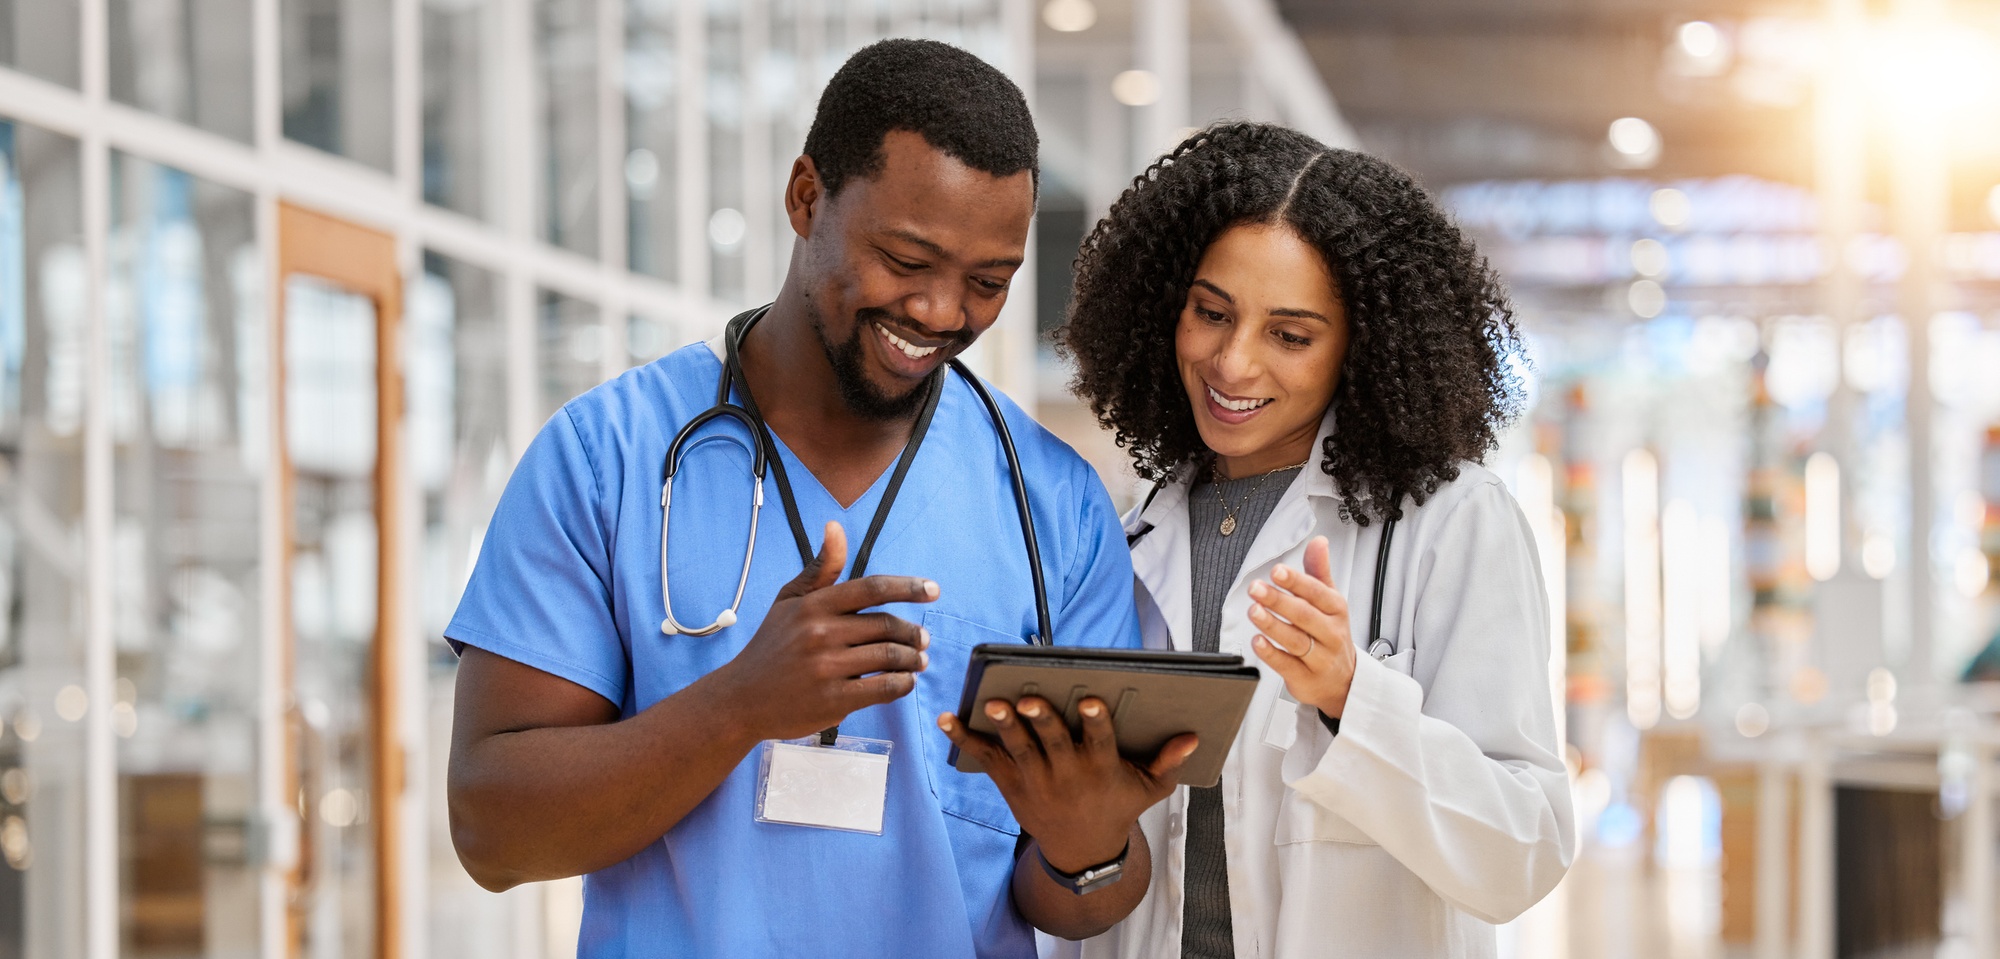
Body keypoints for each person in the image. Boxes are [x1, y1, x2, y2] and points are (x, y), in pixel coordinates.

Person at [444, 39, 1193, 959]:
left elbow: (1079, 898)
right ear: (806, 199)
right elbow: (491, 831)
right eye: (906, 259)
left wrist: (1088, 844)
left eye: (988, 282)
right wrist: (737, 707)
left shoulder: (1055, 505)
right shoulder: (608, 459)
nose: (941, 312)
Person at [1052, 122, 1576, 958]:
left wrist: (1350, 697)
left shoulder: (1451, 520)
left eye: (1290, 335)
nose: (1232, 363)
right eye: (1211, 312)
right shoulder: (1135, 531)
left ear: (1359, 348)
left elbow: (1523, 850)